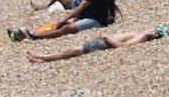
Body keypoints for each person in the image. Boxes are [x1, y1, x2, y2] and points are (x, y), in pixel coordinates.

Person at [26, 25, 169, 63]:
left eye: (155, 29)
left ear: (154, 34)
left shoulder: (142, 36)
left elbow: (123, 46)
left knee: (69, 51)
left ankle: (42, 57)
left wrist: (107, 36)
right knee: (70, 51)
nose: (152, 28)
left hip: (103, 45)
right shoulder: (141, 33)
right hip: (102, 41)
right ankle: (41, 58)